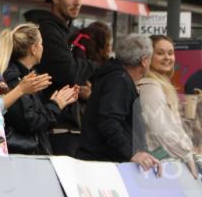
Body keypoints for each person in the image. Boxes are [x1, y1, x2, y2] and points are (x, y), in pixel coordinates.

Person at [76, 34, 162, 172]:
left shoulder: (116, 77)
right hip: (103, 166)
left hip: (104, 163)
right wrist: (132, 153)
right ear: (144, 61)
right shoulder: (119, 80)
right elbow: (109, 121)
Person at [24, 0, 88, 156]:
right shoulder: (47, 30)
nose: (77, 2)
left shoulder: (67, 32)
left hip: (64, 125)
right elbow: (69, 72)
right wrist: (91, 66)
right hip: (53, 128)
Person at [0, 23, 79, 155]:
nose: (43, 48)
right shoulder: (13, 78)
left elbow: (37, 116)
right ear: (34, 49)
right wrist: (56, 105)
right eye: (42, 44)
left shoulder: (26, 76)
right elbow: (30, 122)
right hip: (22, 158)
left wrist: (59, 102)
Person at [138, 35, 198, 177]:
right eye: (160, 53)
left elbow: (176, 126)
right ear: (147, 57)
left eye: (170, 53)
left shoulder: (163, 85)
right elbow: (163, 130)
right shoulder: (149, 87)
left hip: (167, 162)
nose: (167, 57)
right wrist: (188, 154)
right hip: (156, 166)